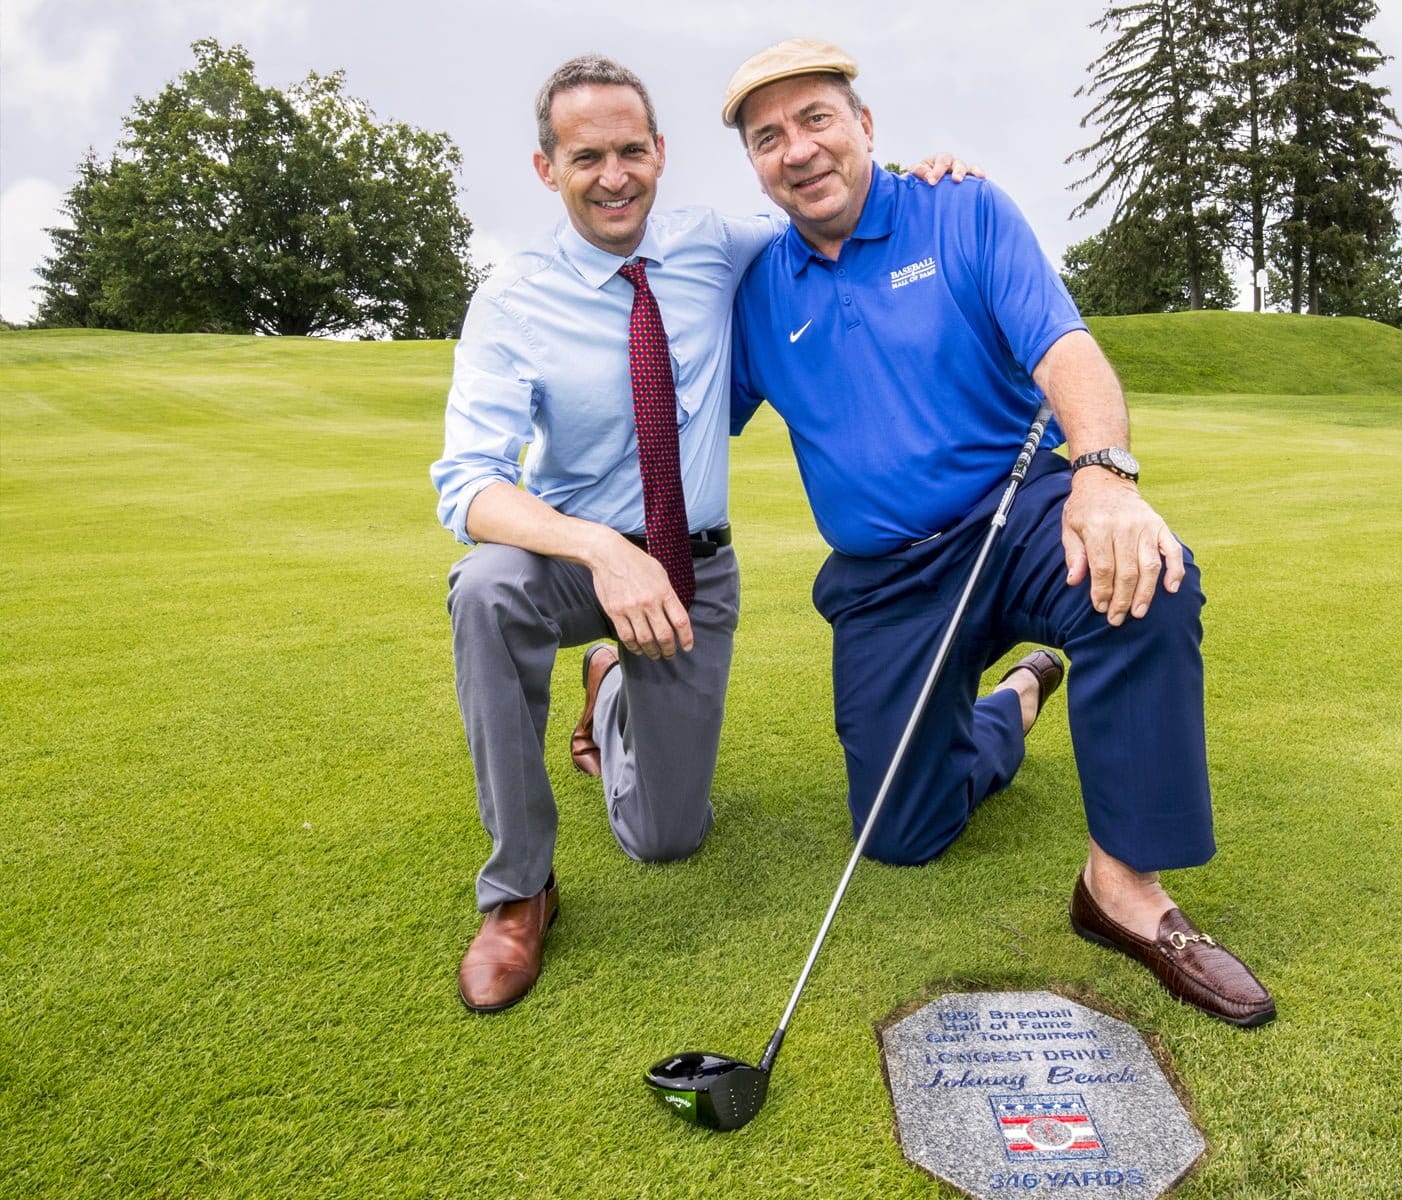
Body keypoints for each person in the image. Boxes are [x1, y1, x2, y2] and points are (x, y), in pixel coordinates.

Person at [721, 40, 1274, 1027]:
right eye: (768, 137)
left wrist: (1103, 474)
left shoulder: (961, 209)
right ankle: (1017, 697)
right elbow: (684, 423)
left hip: (1012, 518)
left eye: (815, 119)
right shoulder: (758, 290)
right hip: (886, 580)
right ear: (754, 165)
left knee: (1147, 573)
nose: (797, 150)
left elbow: (1066, 351)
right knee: (902, 834)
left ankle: (1122, 888)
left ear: (865, 127)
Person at [431, 54, 968, 1014]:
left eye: (631, 150)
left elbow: (827, 202)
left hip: (693, 569)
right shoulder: (513, 297)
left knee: (667, 837)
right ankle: (519, 891)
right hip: (573, 559)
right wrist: (601, 552)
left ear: (661, 152)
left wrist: (923, 184)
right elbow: (468, 487)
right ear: (546, 167)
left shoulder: (721, 244)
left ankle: (606, 701)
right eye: (586, 155)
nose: (614, 175)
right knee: (485, 588)